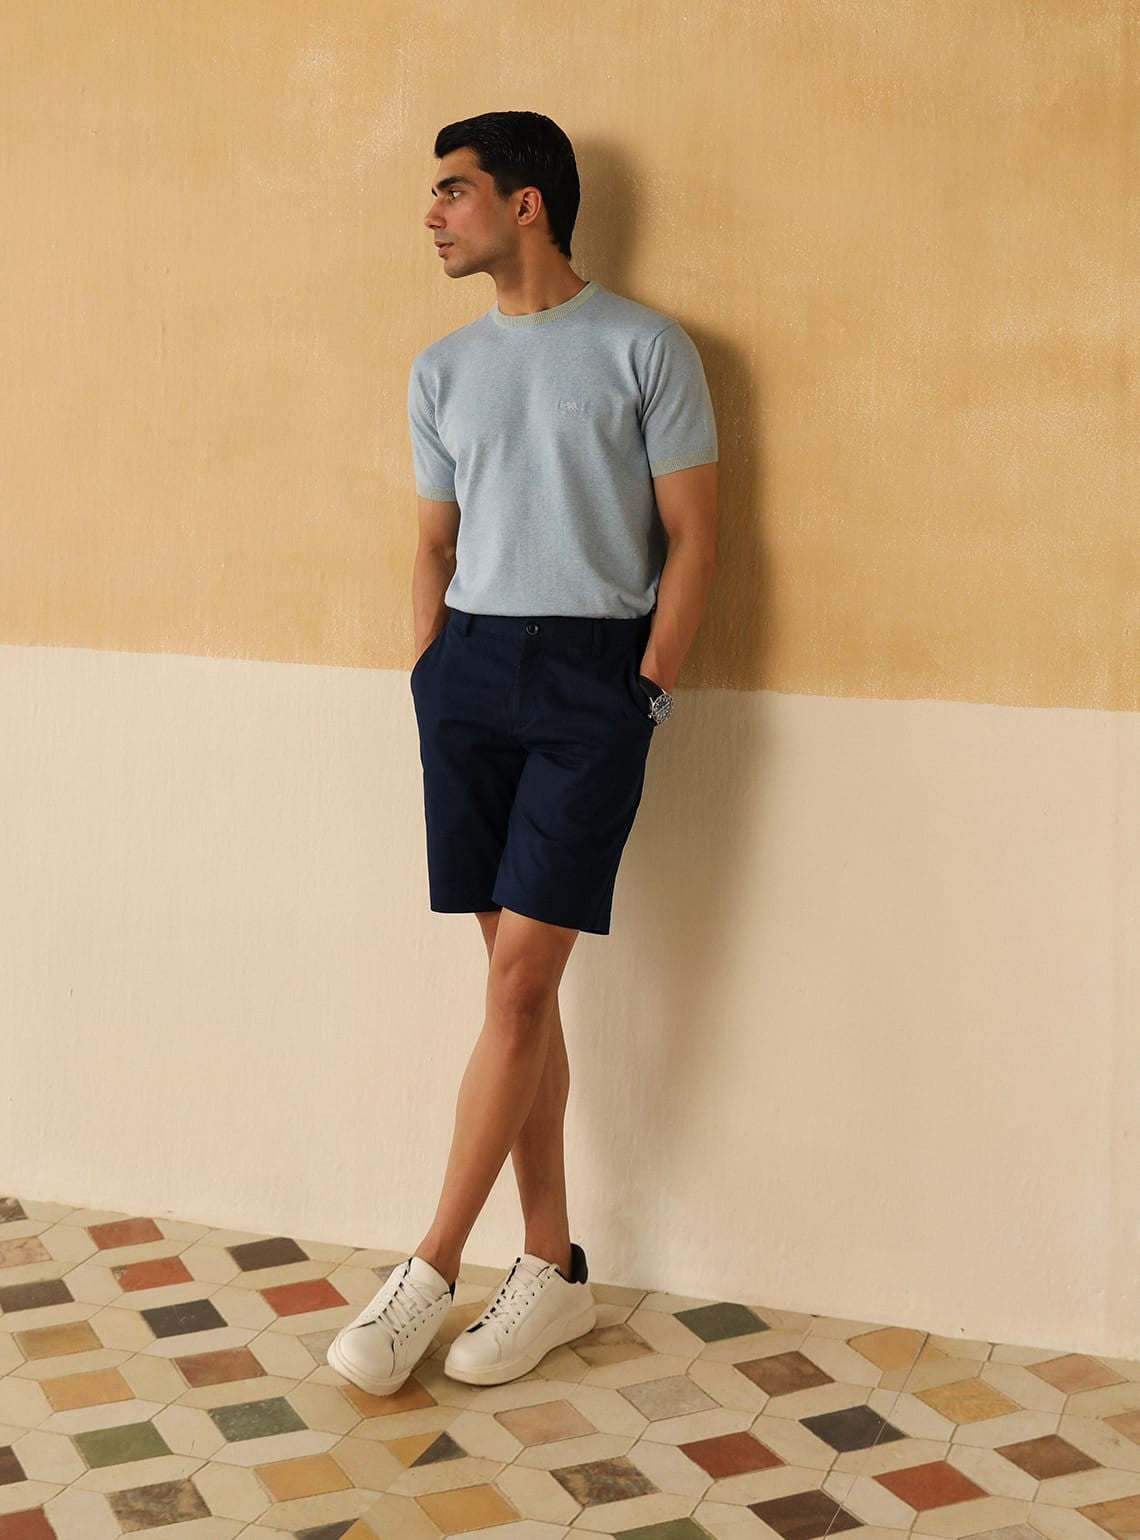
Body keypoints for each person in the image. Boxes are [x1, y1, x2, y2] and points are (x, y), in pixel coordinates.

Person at [327, 111, 718, 1399]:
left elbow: (694, 536)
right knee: (518, 990)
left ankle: (430, 1268)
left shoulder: (647, 348)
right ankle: (551, 1265)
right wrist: (430, 671)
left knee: (515, 987)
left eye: (454, 191)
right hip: (470, 675)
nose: (433, 216)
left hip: (593, 681)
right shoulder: (441, 368)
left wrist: (644, 692)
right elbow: (434, 545)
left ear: (527, 203)